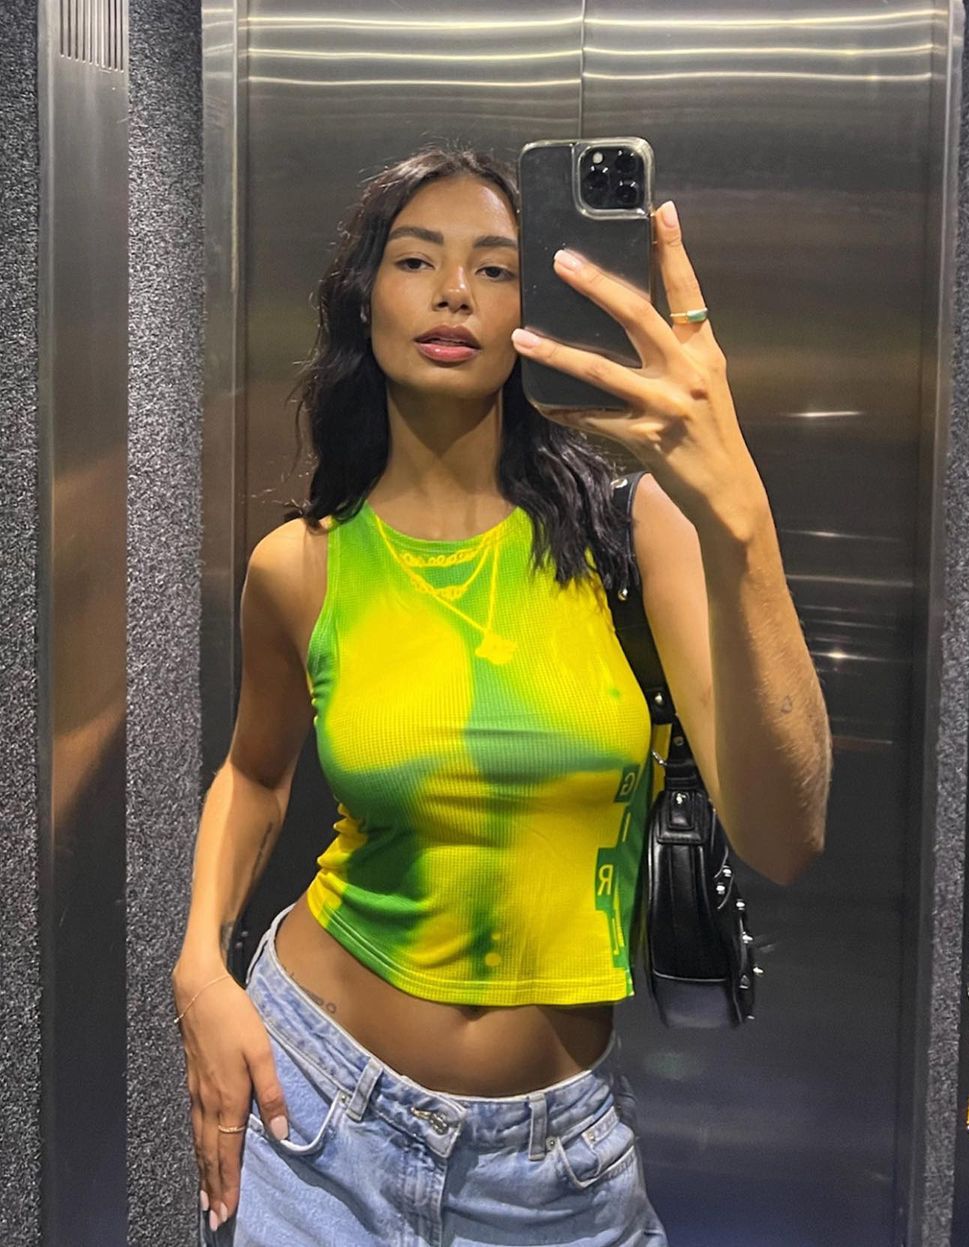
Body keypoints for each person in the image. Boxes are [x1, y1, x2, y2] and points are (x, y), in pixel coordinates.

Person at [171, 144, 831, 1247]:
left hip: (555, 1167)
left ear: (533, 313)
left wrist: (740, 515)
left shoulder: (633, 535)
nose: (453, 292)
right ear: (364, 300)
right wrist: (201, 965)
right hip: (314, 1114)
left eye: (495, 268)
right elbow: (253, 772)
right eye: (415, 260)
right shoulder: (301, 566)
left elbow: (787, 836)